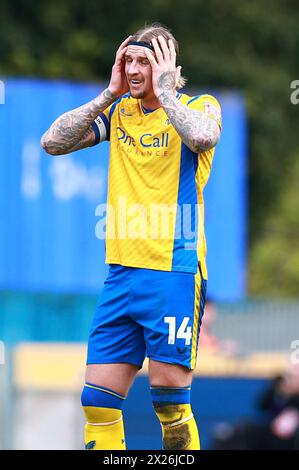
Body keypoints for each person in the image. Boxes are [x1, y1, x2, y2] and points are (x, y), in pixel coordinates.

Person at [41, 23, 222, 450]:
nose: (135, 69)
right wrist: (108, 92)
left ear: (170, 67)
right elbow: (52, 142)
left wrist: (167, 91)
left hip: (172, 273)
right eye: (130, 60)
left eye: (146, 61)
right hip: (121, 275)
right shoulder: (120, 110)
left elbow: (202, 136)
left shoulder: (199, 106)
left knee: (170, 406)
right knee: (97, 402)